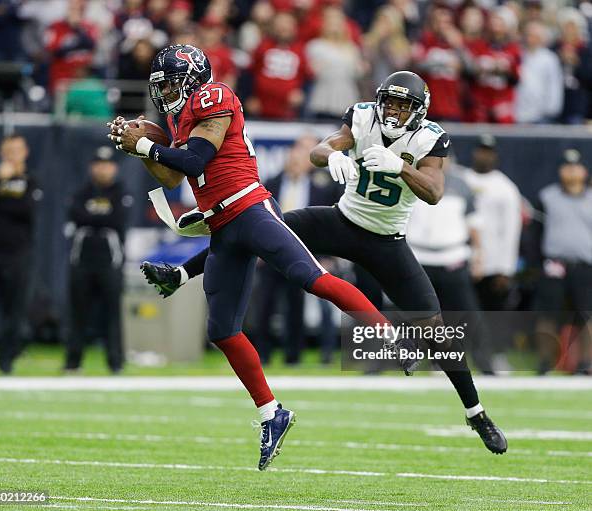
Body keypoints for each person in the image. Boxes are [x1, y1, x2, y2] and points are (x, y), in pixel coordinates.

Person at [143, 70, 508, 456]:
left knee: (434, 328)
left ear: (419, 111)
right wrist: (333, 154)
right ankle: (183, 273)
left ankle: (476, 412)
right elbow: (321, 150)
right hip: (341, 221)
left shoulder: (430, 138)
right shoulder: (363, 116)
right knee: (264, 227)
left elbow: (434, 191)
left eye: (404, 106)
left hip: (387, 241)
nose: (395, 112)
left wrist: (400, 166)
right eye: (391, 103)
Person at [107, 44, 403, 470]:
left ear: (191, 79)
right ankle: (271, 413)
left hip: (250, 207)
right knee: (224, 331)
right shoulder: (179, 114)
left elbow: (195, 159)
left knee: (310, 277)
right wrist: (142, 150)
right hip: (222, 224)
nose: (166, 92)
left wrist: (147, 147)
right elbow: (173, 173)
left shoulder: (215, 96)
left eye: (171, 82)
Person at [252, 134, 342, 364]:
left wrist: (327, 256)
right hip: (272, 254)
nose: (297, 160)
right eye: (296, 153)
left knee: (296, 305)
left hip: (303, 254)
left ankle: (294, 355)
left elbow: (328, 225)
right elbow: (259, 217)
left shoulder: (322, 187)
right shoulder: (271, 183)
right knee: (264, 305)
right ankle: (262, 354)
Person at [407, 155, 494, 373]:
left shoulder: (461, 184)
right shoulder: (410, 178)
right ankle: (387, 363)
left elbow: (473, 223)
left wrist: (478, 255)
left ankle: (486, 364)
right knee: (407, 313)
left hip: (452, 257)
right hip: (418, 256)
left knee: (468, 313)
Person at [65, 146, 132, 374]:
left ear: (114, 168)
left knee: (112, 312)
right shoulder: (82, 191)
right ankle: (73, 362)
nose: (103, 169)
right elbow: (75, 214)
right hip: (82, 259)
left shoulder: (121, 191)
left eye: (107, 165)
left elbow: (117, 219)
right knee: (77, 312)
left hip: (109, 260)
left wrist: (92, 217)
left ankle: (116, 363)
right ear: (92, 167)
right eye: (99, 164)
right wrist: (100, 217)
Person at [0, 134, 42, 374]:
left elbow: (27, 210)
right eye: (9, 151)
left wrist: (0, 202)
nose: (13, 155)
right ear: (1, 154)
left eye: (17, 150)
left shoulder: (31, 180)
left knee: (14, 308)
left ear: (25, 152)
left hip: (19, 254)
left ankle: (6, 359)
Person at [462, 135, 522, 370]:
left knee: (493, 314)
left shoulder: (505, 187)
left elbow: (511, 230)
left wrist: (506, 268)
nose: (483, 156)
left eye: (488, 151)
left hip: (494, 263)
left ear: (495, 156)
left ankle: (496, 355)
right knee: (459, 312)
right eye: (480, 151)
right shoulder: (461, 179)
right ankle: (456, 358)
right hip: (462, 259)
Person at [533, 149, 592, 374]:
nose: (571, 171)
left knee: (588, 314)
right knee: (547, 315)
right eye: (567, 166)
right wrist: (536, 264)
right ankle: (544, 363)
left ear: (584, 171)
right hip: (554, 265)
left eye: (576, 166)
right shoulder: (547, 196)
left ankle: (586, 364)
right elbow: (535, 234)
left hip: (585, 265)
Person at [515, 21, 563, 124]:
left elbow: (554, 85)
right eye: (528, 35)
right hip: (518, 113)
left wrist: (551, 109)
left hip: (541, 115)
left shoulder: (549, 58)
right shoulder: (518, 54)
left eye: (534, 36)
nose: (530, 39)